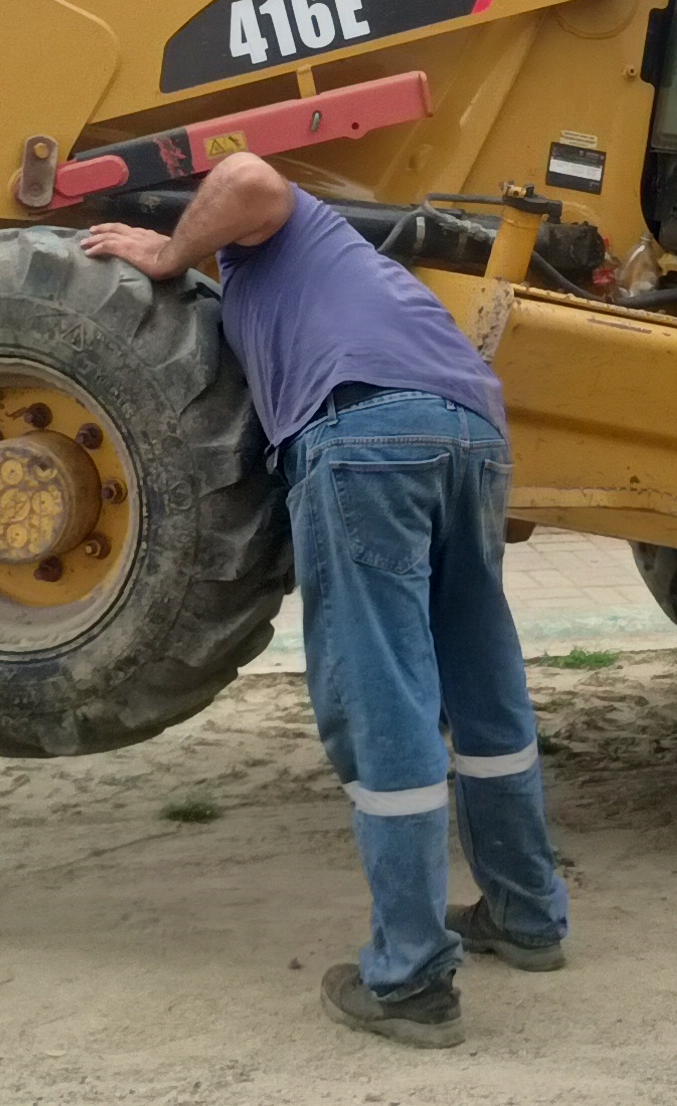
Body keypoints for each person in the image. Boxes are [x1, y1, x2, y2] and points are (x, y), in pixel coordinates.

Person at [80, 153, 570, 1049]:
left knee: (382, 696)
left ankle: (411, 979)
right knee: (482, 683)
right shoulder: (347, 274)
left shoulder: (281, 229)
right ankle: (528, 915)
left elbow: (247, 174)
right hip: (470, 434)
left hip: (368, 435)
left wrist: (166, 252)